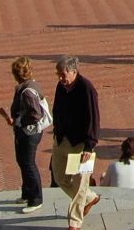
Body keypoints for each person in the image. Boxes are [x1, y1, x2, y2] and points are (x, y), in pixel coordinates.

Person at [51, 55, 101, 227]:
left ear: (73, 71)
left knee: (80, 183)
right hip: (61, 140)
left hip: (81, 145)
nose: (60, 78)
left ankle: (74, 222)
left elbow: (94, 118)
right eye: (58, 74)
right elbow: (56, 108)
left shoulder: (87, 88)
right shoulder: (61, 86)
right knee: (59, 178)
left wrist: (89, 145)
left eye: (63, 74)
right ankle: (90, 198)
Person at [0, 55, 45, 214]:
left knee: (28, 163)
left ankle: (36, 198)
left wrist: (18, 122)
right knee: (22, 161)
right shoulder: (31, 85)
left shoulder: (27, 91)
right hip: (27, 131)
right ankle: (27, 193)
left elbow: (35, 115)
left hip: (29, 133)